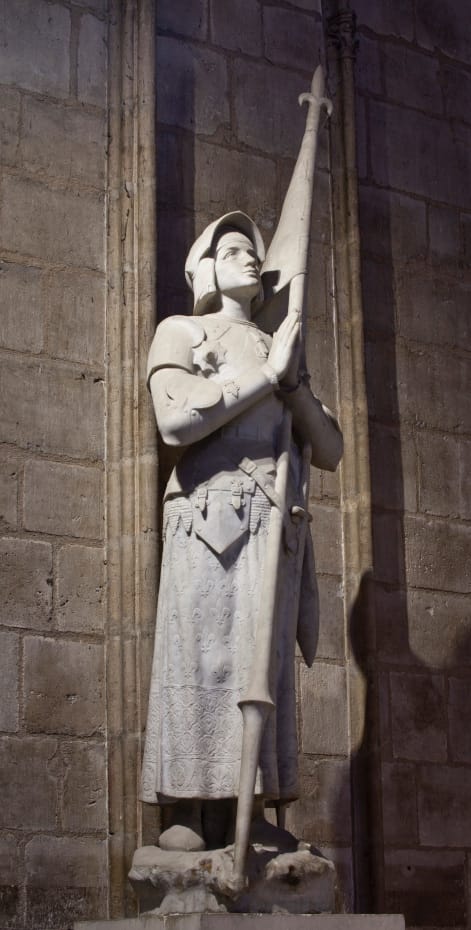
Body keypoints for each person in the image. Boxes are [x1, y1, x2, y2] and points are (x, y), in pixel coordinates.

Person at [140, 211, 343, 852]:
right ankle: (187, 810)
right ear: (205, 266)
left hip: (268, 526)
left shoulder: (277, 342)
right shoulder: (183, 330)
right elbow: (175, 422)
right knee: (199, 659)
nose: (248, 257)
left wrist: (292, 381)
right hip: (207, 519)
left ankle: (245, 808)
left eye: (253, 250)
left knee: (261, 670)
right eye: (231, 249)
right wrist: (262, 377)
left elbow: (331, 448)